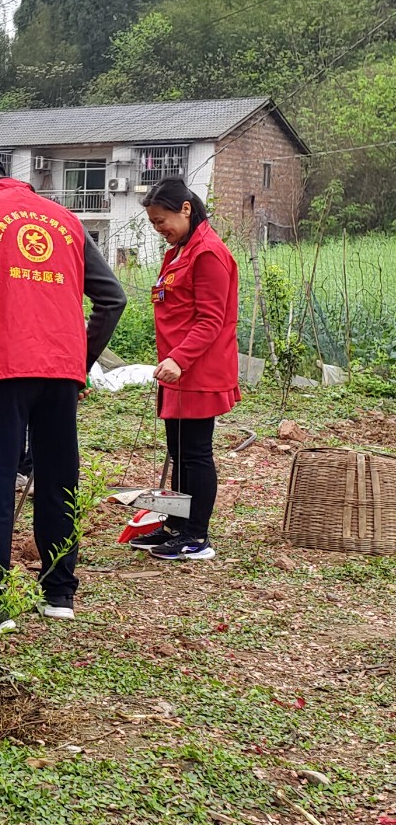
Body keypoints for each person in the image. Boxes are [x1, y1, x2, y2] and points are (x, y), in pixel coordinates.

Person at [0, 153, 126, 620]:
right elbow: (113, 298)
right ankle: (59, 594)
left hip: (1, 369)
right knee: (60, 478)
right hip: (61, 371)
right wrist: (79, 363)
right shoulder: (65, 218)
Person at [130, 178, 239, 562]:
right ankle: (176, 525)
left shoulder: (208, 252)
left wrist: (179, 358)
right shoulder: (180, 250)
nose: (159, 229)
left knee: (194, 452)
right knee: (178, 450)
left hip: (198, 369)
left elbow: (212, 319)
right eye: (154, 223)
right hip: (177, 370)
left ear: (186, 210)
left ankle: (196, 537)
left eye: (162, 221)